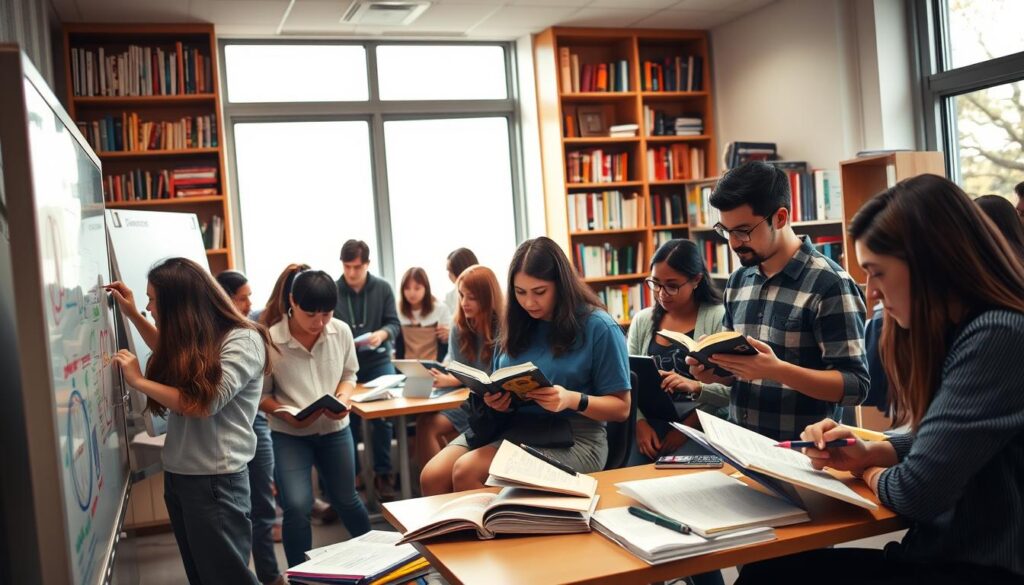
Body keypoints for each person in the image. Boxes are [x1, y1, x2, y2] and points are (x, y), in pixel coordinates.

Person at [737, 174, 1024, 584]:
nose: (870, 292)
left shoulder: (998, 334)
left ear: (929, 264)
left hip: (978, 565)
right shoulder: (974, 329)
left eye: (877, 273)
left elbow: (915, 492)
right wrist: (874, 449)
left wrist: (865, 472)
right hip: (942, 553)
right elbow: (947, 439)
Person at [106, 258, 271, 585]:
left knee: (227, 578)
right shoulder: (202, 336)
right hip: (183, 476)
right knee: (203, 577)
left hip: (215, 480)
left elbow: (203, 403)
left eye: (152, 300)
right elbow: (173, 358)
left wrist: (138, 381)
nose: (149, 306)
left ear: (179, 304)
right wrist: (132, 315)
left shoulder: (243, 340)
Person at [427, 237, 631, 492]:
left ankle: (491, 530)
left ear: (561, 285)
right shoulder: (515, 321)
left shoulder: (598, 326)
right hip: (514, 425)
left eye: (539, 292)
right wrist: (495, 401)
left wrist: (571, 399)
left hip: (573, 436)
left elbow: (621, 408)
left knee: (467, 471)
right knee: (432, 476)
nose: (529, 303)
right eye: (520, 292)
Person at [688, 161, 870, 441]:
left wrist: (777, 371)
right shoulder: (738, 281)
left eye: (743, 230)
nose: (734, 243)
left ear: (781, 217)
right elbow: (738, 373)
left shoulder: (830, 284)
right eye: (726, 231)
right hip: (741, 450)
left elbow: (856, 386)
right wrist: (713, 372)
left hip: (802, 457)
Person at [259, 267, 371, 567]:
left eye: (327, 314)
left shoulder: (341, 331)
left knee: (347, 500)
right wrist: (287, 415)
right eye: (311, 314)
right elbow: (261, 396)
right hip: (290, 434)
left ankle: (380, 562)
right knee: (296, 506)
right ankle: (300, 574)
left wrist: (345, 398)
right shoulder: (271, 339)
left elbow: (349, 374)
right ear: (292, 302)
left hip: (335, 428)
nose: (319, 322)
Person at [626, 239, 730, 465]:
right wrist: (639, 424)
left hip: (700, 423)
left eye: (672, 285)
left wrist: (686, 428)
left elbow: (728, 391)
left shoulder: (718, 317)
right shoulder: (643, 320)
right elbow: (626, 379)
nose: (662, 293)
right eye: (655, 283)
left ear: (696, 280)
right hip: (648, 421)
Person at [215, 270, 281, 585]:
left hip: (256, 424)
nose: (249, 304)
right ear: (223, 299)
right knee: (235, 518)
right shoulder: (209, 335)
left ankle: (270, 576)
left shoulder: (250, 333)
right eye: (242, 298)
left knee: (264, 508)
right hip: (226, 433)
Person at [417, 264, 503, 494]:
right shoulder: (459, 326)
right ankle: (442, 493)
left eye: (472, 297)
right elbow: (463, 370)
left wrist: (452, 380)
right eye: (462, 295)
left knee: (433, 428)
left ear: (487, 299)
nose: (464, 303)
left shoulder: (504, 328)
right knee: (426, 425)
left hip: (499, 409)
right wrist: (452, 378)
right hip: (475, 403)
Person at [333, 239, 402, 499]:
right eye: (347, 266)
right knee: (344, 418)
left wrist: (383, 335)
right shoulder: (334, 289)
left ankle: (383, 473)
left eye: (357, 267)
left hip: (377, 360)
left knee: (382, 417)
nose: (351, 272)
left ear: (367, 265)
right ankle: (353, 475)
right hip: (343, 364)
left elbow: (394, 323)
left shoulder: (382, 288)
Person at [396, 266, 451, 361]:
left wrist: (448, 334)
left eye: (417, 288)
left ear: (426, 288)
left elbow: (447, 342)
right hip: (407, 364)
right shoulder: (397, 309)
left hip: (435, 364)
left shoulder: (440, 308)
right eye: (407, 288)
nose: (411, 293)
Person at [443, 247, 479, 317]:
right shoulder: (449, 297)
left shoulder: (484, 292)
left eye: (451, 271)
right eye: (448, 271)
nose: (449, 275)